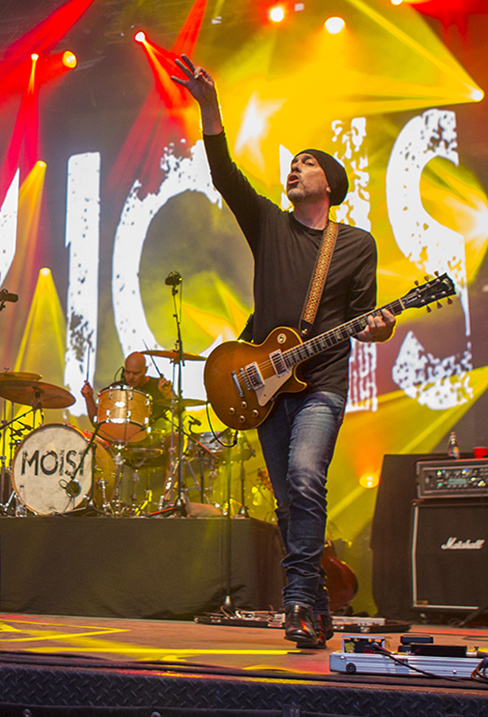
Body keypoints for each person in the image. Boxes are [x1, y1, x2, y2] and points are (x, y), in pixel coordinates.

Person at [173, 55, 396, 648]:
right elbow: (225, 175)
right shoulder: (271, 225)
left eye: (306, 164)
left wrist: (379, 329)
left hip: (322, 381)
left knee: (303, 478)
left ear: (331, 183)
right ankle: (316, 601)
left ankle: (297, 596)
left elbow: (364, 320)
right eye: (293, 165)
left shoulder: (355, 245)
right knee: (286, 499)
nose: (294, 170)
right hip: (265, 387)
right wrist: (209, 106)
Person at [80, 352, 173, 428]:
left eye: (136, 373)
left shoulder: (158, 386)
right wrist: (88, 398)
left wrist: (167, 395)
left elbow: (178, 413)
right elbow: (97, 422)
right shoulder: (116, 389)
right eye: (127, 372)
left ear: (145, 370)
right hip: (119, 442)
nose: (130, 377)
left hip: (152, 444)